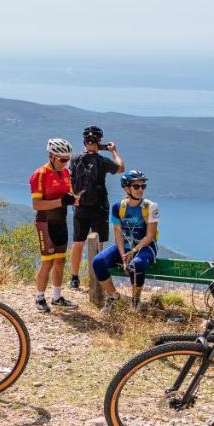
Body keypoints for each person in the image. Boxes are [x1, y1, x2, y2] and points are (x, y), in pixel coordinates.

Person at [90, 170, 158, 309]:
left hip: (145, 246)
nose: (141, 190)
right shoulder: (117, 207)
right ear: (126, 188)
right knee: (98, 262)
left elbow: (150, 235)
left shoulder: (151, 207)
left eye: (143, 186)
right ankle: (114, 296)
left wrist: (133, 251)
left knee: (136, 265)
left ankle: (135, 300)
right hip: (124, 247)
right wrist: (123, 255)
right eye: (136, 186)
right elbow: (118, 234)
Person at [67, 125, 124, 289]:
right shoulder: (103, 161)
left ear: (84, 142)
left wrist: (74, 198)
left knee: (78, 243)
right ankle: (99, 278)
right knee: (99, 243)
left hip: (80, 207)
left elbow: (69, 180)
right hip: (99, 207)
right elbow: (121, 168)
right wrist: (113, 151)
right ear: (99, 142)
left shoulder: (75, 159)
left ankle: (74, 278)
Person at [30, 138, 76, 312]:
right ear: (51, 156)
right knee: (47, 262)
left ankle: (57, 297)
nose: (65, 163)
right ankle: (39, 298)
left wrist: (73, 198)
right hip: (45, 222)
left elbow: (68, 193)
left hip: (61, 221)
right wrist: (61, 201)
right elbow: (37, 205)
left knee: (60, 261)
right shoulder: (40, 175)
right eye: (62, 159)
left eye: (67, 160)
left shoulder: (65, 173)